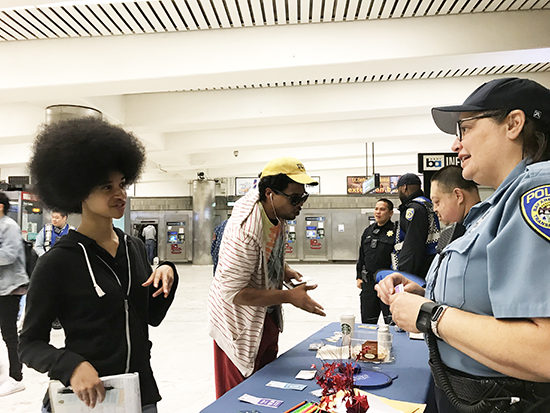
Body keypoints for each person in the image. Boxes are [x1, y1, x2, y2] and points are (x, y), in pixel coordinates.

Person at [376, 77, 550, 413]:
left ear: (513, 124)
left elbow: (543, 350)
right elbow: (494, 306)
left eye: (465, 129)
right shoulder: (496, 207)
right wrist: (425, 296)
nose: (456, 144)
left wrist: (430, 315)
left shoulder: (537, 194)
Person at [19, 117, 179, 413]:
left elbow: (150, 317)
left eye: (122, 184)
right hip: (88, 401)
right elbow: (29, 344)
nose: (120, 194)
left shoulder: (133, 248)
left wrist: (168, 272)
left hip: (140, 395)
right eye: (107, 187)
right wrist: (71, 365)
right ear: (79, 191)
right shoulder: (57, 262)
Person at [207, 156, 326, 398]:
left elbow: (267, 253)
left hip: (264, 317)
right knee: (241, 396)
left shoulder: (277, 213)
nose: (300, 204)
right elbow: (232, 293)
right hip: (238, 325)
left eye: (303, 197)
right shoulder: (245, 230)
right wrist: (289, 296)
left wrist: (283, 270)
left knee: (266, 386)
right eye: (294, 198)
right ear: (270, 193)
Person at [0, 191, 28, 397]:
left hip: (9, 288)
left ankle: (16, 378)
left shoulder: (9, 226)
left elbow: (8, 255)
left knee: (9, 333)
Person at [392, 173, 439, 279]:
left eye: (398, 190)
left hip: (417, 270)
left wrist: (404, 274)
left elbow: (413, 244)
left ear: (404, 188)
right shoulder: (427, 203)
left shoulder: (414, 208)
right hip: (429, 264)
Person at [356, 198, 395, 324]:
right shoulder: (368, 231)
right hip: (368, 285)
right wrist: (358, 277)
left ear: (390, 213)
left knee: (392, 323)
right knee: (367, 323)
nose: (378, 212)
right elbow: (361, 256)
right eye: (376, 209)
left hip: (387, 285)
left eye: (382, 209)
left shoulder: (396, 232)